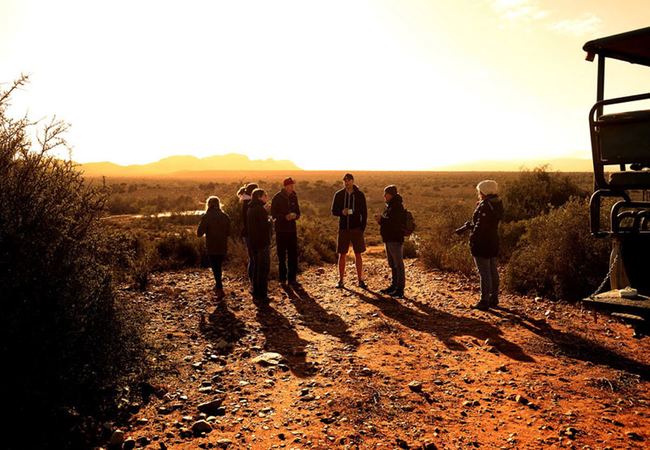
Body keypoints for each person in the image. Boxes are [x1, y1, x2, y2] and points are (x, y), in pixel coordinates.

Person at [466, 180, 504, 310]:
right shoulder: (497, 203)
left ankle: (484, 301)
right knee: (493, 270)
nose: (478, 193)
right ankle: (494, 298)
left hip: (482, 243)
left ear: (484, 191)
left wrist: (472, 238)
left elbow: (481, 226)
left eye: (480, 191)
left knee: (484, 272)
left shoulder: (486, 205)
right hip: (493, 240)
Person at [331, 173, 368, 289]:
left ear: (352, 181)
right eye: (345, 181)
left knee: (358, 254)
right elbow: (333, 210)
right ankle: (341, 280)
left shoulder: (359, 195)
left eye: (348, 181)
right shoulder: (339, 195)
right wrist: (341, 212)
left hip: (356, 228)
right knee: (342, 254)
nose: (347, 183)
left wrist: (362, 227)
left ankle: (360, 279)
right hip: (343, 228)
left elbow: (364, 212)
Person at [197, 196, 231, 300]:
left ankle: (220, 289)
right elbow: (229, 232)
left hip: (212, 246)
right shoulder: (225, 216)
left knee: (215, 268)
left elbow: (199, 233)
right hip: (222, 245)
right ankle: (218, 286)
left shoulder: (207, 216)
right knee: (219, 266)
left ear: (208, 205)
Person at [374, 185, 406, 297]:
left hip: (395, 239)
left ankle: (400, 289)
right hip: (389, 239)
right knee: (393, 264)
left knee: (398, 264)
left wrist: (381, 220)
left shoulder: (397, 207)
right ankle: (394, 286)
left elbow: (394, 223)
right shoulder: (390, 206)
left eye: (386, 193)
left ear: (391, 194)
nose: (384, 196)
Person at [271, 177, 301, 285]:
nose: (292, 188)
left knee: (293, 255)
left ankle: (292, 278)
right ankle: (282, 278)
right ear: (285, 186)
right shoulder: (277, 198)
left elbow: (298, 213)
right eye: (290, 186)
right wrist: (285, 217)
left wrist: (295, 216)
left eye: (293, 186)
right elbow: (274, 215)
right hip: (281, 231)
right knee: (282, 256)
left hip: (292, 231)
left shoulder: (294, 197)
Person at [247, 188, 273, 302]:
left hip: (254, 242)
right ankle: (262, 294)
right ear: (259, 196)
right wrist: (270, 221)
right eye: (265, 195)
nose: (266, 197)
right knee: (263, 268)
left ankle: (257, 293)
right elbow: (264, 225)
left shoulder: (251, 208)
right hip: (262, 242)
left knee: (257, 267)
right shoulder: (259, 209)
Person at [241, 183, 258, 284]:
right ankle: (253, 282)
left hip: (247, 234)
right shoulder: (249, 204)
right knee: (254, 259)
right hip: (251, 234)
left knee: (252, 258)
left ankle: (253, 281)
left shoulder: (245, 203)